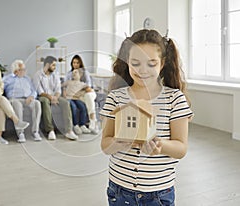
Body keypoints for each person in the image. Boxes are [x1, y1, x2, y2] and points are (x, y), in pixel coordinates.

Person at [100, 29, 193, 205]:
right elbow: (105, 145)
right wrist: (118, 142)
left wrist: (160, 146)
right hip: (119, 190)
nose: (143, 70)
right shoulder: (116, 97)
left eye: (151, 64)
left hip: (158, 193)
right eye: (136, 63)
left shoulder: (174, 99)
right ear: (127, 61)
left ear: (162, 63)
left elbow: (181, 148)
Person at [32, 56, 78, 140]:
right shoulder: (37, 75)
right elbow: (40, 91)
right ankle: (50, 130)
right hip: (43, 96)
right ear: (47, 65)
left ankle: (69, 131)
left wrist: (55, 97)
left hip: (54, 96)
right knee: (45, 101)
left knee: (65, 102)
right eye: (53, 65)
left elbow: (58, 89)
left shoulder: (55, 74)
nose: (55, 67)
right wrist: (51, 97)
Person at [3, 59, 42, 143]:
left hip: (27, 99)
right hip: (15, 99)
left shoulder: (27, 78)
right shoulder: (8, 78)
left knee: (37, 103)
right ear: (16, 70)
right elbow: (0, 88)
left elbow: (34, 90)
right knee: (17, 104)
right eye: (22, 69)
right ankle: (20, 133)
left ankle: (35, 132)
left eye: (24, 69)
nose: (24, 71)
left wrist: (32, 96)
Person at [65, 55, 97, 133]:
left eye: (77, 63)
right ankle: (80, 124)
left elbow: (88, 87)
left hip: (86, 93)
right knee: (78, 106)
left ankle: (89, 123)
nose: (75, 64)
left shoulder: (85, 73)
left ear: (80, 64)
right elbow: (66, 85)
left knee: (88, 98)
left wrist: (79, 87)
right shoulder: (69, 74)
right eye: (74, 63)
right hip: (75, 96)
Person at [63, 69, 91, 135]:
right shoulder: (69, 82)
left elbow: (89, 89)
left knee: (83, 107)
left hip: (77, 99)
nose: (74, 74)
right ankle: (75, 125)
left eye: (76, 72)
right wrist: (64, 92)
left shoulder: (82, 84)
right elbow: (60, 86)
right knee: (73, 107)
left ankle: (82, 125)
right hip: (69, 98)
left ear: (80, 75)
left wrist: (82, 93)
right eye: (73, 73)